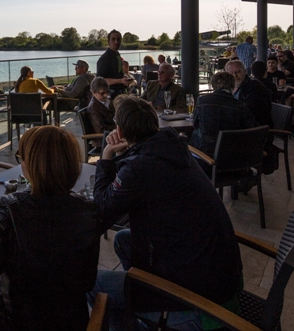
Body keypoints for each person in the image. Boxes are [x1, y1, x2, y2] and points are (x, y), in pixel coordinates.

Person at [90, 96, 243, 331]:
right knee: (123, 240)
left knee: (92, 284)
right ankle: (141, 307)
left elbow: (101, 212)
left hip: (198, 300)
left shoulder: (141, 168)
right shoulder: (170, 148)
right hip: (215, 274)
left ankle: (152, 308)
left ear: (119, 130)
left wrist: (107, 156)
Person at [0, 126, 100, 331]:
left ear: (31, 165)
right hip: (73, 321)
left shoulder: (10, 210)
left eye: (21, 158)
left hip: (21, 321)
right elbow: (87, 281)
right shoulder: (88, 211)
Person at [190, 72, 256, 161]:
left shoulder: (202, 100)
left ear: (213, 85)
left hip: (204, 154)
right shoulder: (241, 105)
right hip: (233, 157)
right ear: (233, 86)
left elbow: (195, 123)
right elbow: (251, 128)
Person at [227, 60, 278, 175]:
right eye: (231, 73)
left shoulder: (255, 87)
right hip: (242, 128)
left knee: (224, 143)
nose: (234, 75)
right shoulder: (230, 88)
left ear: (245, 72)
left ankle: (242, 175)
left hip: (257, 131)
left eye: (238, 72)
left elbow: (252, 112)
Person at [96, 30, 130, 99]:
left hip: (120, 93)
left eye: (118, 39)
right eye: (113, 39)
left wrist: (124, 78)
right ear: (108, 41)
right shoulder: (104, 59)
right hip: (110, 95)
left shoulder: (117, 56)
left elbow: (117, 74)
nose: (116, 42)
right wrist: (120, 80)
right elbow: (100, 81)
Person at [87, 77, 116, 148]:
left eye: (107, 92)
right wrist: (118, 127)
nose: (105, 95)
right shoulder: (93, 108)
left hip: (113, 134)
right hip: (104, 139)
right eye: (102, 93)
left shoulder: (108, 101)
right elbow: (101, 129)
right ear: (93, 93)